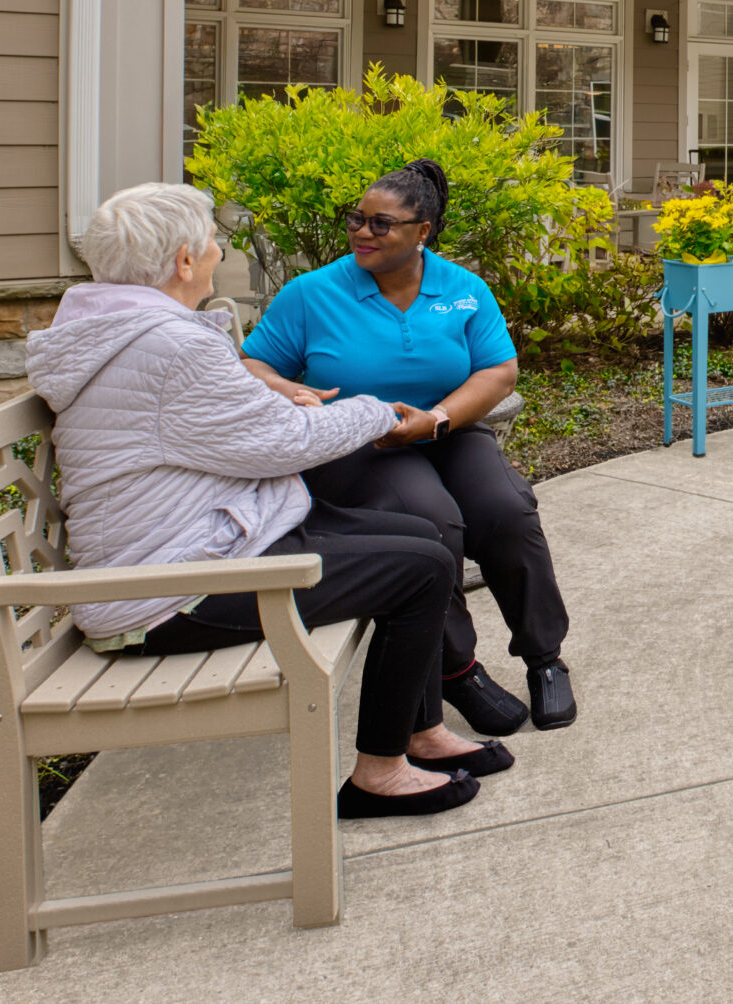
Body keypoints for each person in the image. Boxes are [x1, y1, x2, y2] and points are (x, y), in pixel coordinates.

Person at [26, 181, 514, 819]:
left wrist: (280, 396)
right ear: (182, 261)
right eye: (211, 244)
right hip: (164, 593)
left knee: (423, 538)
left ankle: (420, 732)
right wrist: (375, 411)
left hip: (185, 549)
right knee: (421, 569)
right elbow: (282, 446)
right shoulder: (171, 344)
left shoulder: (121, 329)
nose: (217, 253)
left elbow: (220, 424)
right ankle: (380, 773)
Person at [242, 159, 576, 737]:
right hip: (360, 445)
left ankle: (544, 658)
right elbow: (252, 363)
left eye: (381, 224)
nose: (362, 233)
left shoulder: (462, 289)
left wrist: (439, 419)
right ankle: (457, 670)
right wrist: (291, 389)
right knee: (431, 521)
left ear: (422, 232)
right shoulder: (312, 294)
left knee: (506, 510)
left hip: (445, 429)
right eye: (356, 219)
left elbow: (499, 370)